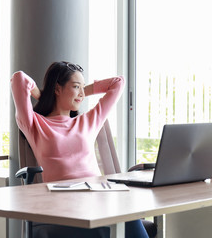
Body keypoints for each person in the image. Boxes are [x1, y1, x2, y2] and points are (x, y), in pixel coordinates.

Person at [11, 61, 149, 238]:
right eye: (76, 87)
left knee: (128, 215)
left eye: (82, 88)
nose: (82, 94)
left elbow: (118, 82)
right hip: (62, 202)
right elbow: (19, 79)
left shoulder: (89, 120)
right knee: (122, 222)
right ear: (57, 89)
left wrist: (81, 92)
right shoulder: (35, 124)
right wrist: (43, 95)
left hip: (97, 195)